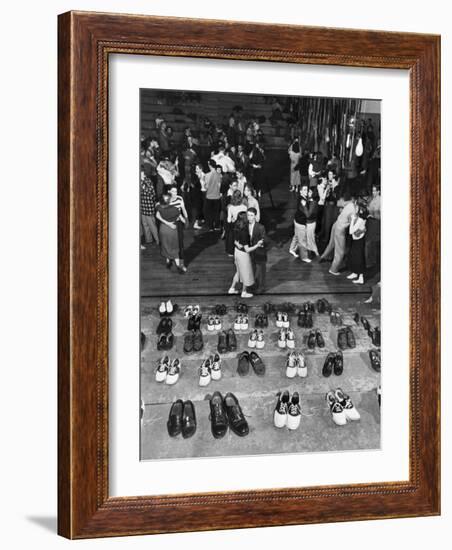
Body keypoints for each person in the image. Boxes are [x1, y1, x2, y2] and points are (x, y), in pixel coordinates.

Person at [320, 191, 356, 275]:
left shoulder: (347, 205)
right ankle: (334, 269)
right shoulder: (353, 208)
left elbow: (340, 207)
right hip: (340, 229)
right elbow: (352, 223)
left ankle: (324, 256)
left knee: (331, 244)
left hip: (336, 225)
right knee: (340, 251)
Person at [155, 190, 186, 274]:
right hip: (172, 230)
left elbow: (157, 215)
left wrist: (167, 223)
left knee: (165, 245)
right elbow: (181, 218)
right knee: (174, 248)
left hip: (163, 229)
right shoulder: (175, 210)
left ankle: (168, 262)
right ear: (169, 201)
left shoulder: (159, 207)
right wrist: (184, 220)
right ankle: (179, 267)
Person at [228, 212, 256, 299]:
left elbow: (234, 241)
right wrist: (257, 245)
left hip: (237, 252)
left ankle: (232, 288)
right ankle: (244, 292)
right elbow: (247, 249)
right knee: (246, 273)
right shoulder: (244, 231)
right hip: (243, 255)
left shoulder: (236, 227)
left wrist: (238, 244)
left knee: (239, 272)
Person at [289, 184, 316, 262]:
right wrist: (309, 202)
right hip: (301, 223)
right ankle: (304, 257)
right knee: (302, 240)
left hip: (297, 220)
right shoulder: (302, 200)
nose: (306, 191)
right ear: (300, 191)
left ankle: (292, 249)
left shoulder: (304, 198)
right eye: (304, 190)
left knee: (296, 236)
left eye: (307, 190)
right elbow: (307, 214)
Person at [167, 183, 189, 271]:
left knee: (180, 244)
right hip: (170, 223)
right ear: (169, 192)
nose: (175, 193)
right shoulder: (167, 200)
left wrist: (186, 219)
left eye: (176, 191)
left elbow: (183, 209)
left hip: (178, 223)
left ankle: (181, 264)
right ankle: (169, 258)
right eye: (173, 191)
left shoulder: (180, 198)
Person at [247, 207, 268, 293]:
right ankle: (253, 285)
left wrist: (261, 242)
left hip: (259, 252)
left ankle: (261, 287)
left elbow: (264, 239)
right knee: (252, 269)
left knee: (260, 271)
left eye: (251, 215)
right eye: (248, 215)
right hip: (250, 251)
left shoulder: (260, 227)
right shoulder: (245, 225)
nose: (249, 217)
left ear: (255, 216)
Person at [347, 205, 368, 284]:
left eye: (356, 208)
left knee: (359, 258)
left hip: (359, 240)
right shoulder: (360, 219)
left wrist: (352, 220)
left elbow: (350, 231)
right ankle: (355, 273)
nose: (354, 209)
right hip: (357, 239)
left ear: (360, 211)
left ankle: (361, 278)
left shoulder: (360, 220)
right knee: (353, 256)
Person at [140, 171, 159, 249]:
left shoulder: (148, 180)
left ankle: (158, 240)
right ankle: (149, 240)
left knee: (152, 224)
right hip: (142, 205)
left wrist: (142, 183)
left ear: (143, 174)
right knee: (145, 224)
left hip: (149, 205)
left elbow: (150, 192)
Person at [225, 190, 247, 255]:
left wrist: (232, 219)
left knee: (231, 236)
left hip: (235, 225)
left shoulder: (231, 207)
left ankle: (231, 252)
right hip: (243, 224)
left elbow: (228, 220)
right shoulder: (244, 207)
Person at [365, 184, 381, 268]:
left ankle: (369, 263)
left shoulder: (380, 200)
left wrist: (373, 216)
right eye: (372, 190)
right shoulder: (372, 198)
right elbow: (370, 209)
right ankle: (371, 261)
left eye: (375, 191)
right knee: (371, 243)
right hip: (370, 223)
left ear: (379, 191)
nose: (373, 192)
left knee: (370, 243)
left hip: (375, 223)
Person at [204, 160, 222, 231]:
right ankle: (217, 226)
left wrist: (204, 184)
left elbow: (206, 187)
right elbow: (219, 186)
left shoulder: (207, 175)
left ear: (209, 165)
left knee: (210, 213)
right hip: (217, 196)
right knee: (217, 212)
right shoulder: (219, 175)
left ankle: (211, 227)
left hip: (209, 196)